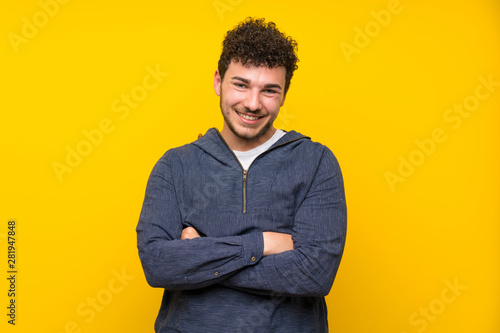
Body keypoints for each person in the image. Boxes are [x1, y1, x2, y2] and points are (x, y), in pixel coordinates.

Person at [136, 17, 347, 333]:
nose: (253, 103)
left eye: (269, 90)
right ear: (218, 82)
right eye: (241, 84)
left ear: (285, 94)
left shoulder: (316, 162)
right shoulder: (175, 166)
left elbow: (314, 272)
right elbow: (158, 265)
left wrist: (200, 257)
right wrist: (263, 243)